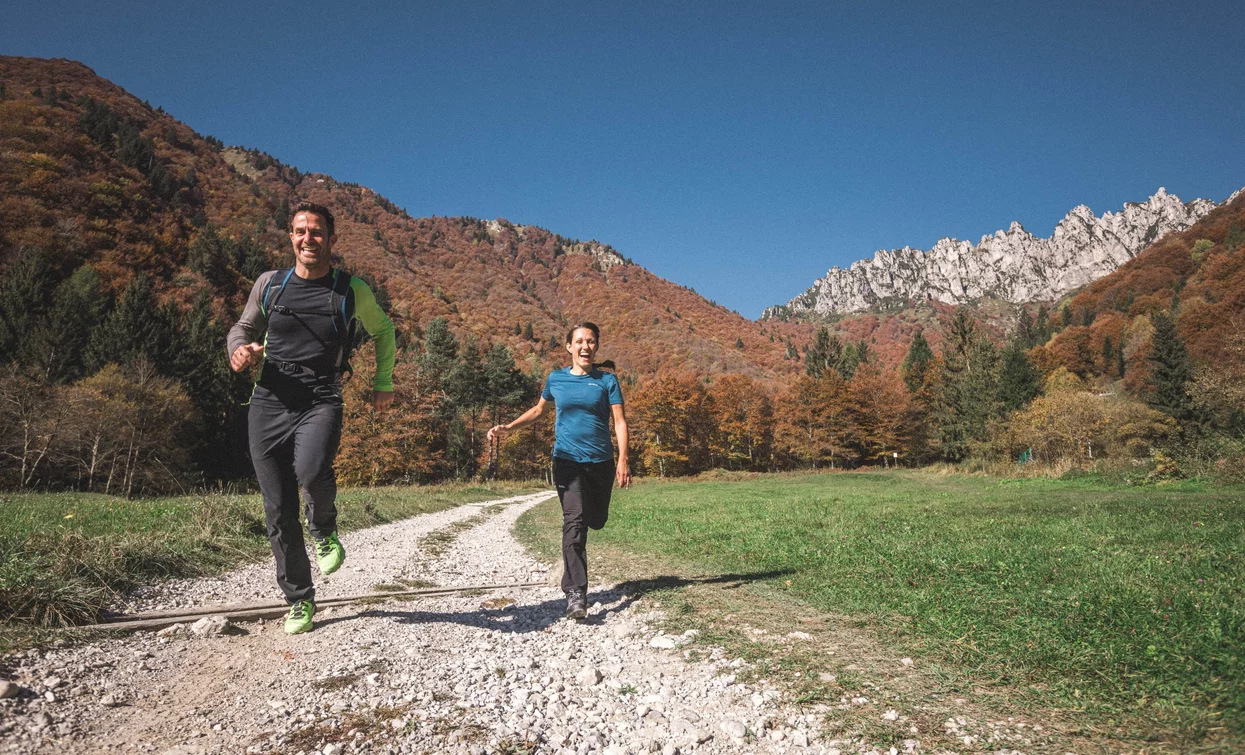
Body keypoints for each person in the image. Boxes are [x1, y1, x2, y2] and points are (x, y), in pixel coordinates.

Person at [227, 202, 395, 634]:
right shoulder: (270, 285)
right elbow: (242, 328)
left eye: (317, 232)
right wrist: (239, 351)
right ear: (291, 237)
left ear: (331, 240)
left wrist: (382, 384)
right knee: (278, 509)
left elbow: (383, 331)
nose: (308, 239)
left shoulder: (349, 289)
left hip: (322, 399)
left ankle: (323, 529)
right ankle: (299, 600)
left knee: (313, 469)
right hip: (268, 402)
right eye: (300, 231)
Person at [487, 322, 630, 620]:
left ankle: (577, 567)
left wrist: (622, 459)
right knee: (574, 521)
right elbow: (539, 410)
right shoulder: (556, 379)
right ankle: (576, 592)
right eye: (579, 341)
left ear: (597, 347)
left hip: (600, 463)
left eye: (591, 341)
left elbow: (619, 423)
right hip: (566, 460)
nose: (585, 346)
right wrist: (509, 427)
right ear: (569, 347)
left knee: (596, 520)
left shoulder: (607, 381)